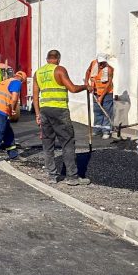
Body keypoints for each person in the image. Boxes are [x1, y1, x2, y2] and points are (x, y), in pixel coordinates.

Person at [33, 50, 91, 185]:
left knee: (48, 143)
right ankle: (72, 177)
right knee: (67, 142)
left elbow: (35, 96)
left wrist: (37, 114)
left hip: (44, 111)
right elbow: (72, 88)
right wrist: (86, 86)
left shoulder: (38, 73)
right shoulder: (59, 70)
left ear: (47, 59)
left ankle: (52, 176)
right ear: (58, 59)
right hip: (59, 110)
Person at [0, 70, 27, 168]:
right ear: (22, 80)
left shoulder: (6, 81)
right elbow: (14, 97)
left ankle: (13, 154)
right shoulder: (17, 82)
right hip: (0, 110)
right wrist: (13, 109)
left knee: (8, 132)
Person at [85, 53, 114, 139]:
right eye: (100, 63)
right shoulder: (93, 63)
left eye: (103, 63)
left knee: (106, 111)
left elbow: (108, 84)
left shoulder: (109, 69)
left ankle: (106, 131)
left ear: (106, 62)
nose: (101, 65)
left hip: (107, 93)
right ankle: (97, 130)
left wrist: (101, 97)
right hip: (95, 92)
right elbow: (88, 71)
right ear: (97, 61)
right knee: (97, 111)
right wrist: (87, 83)